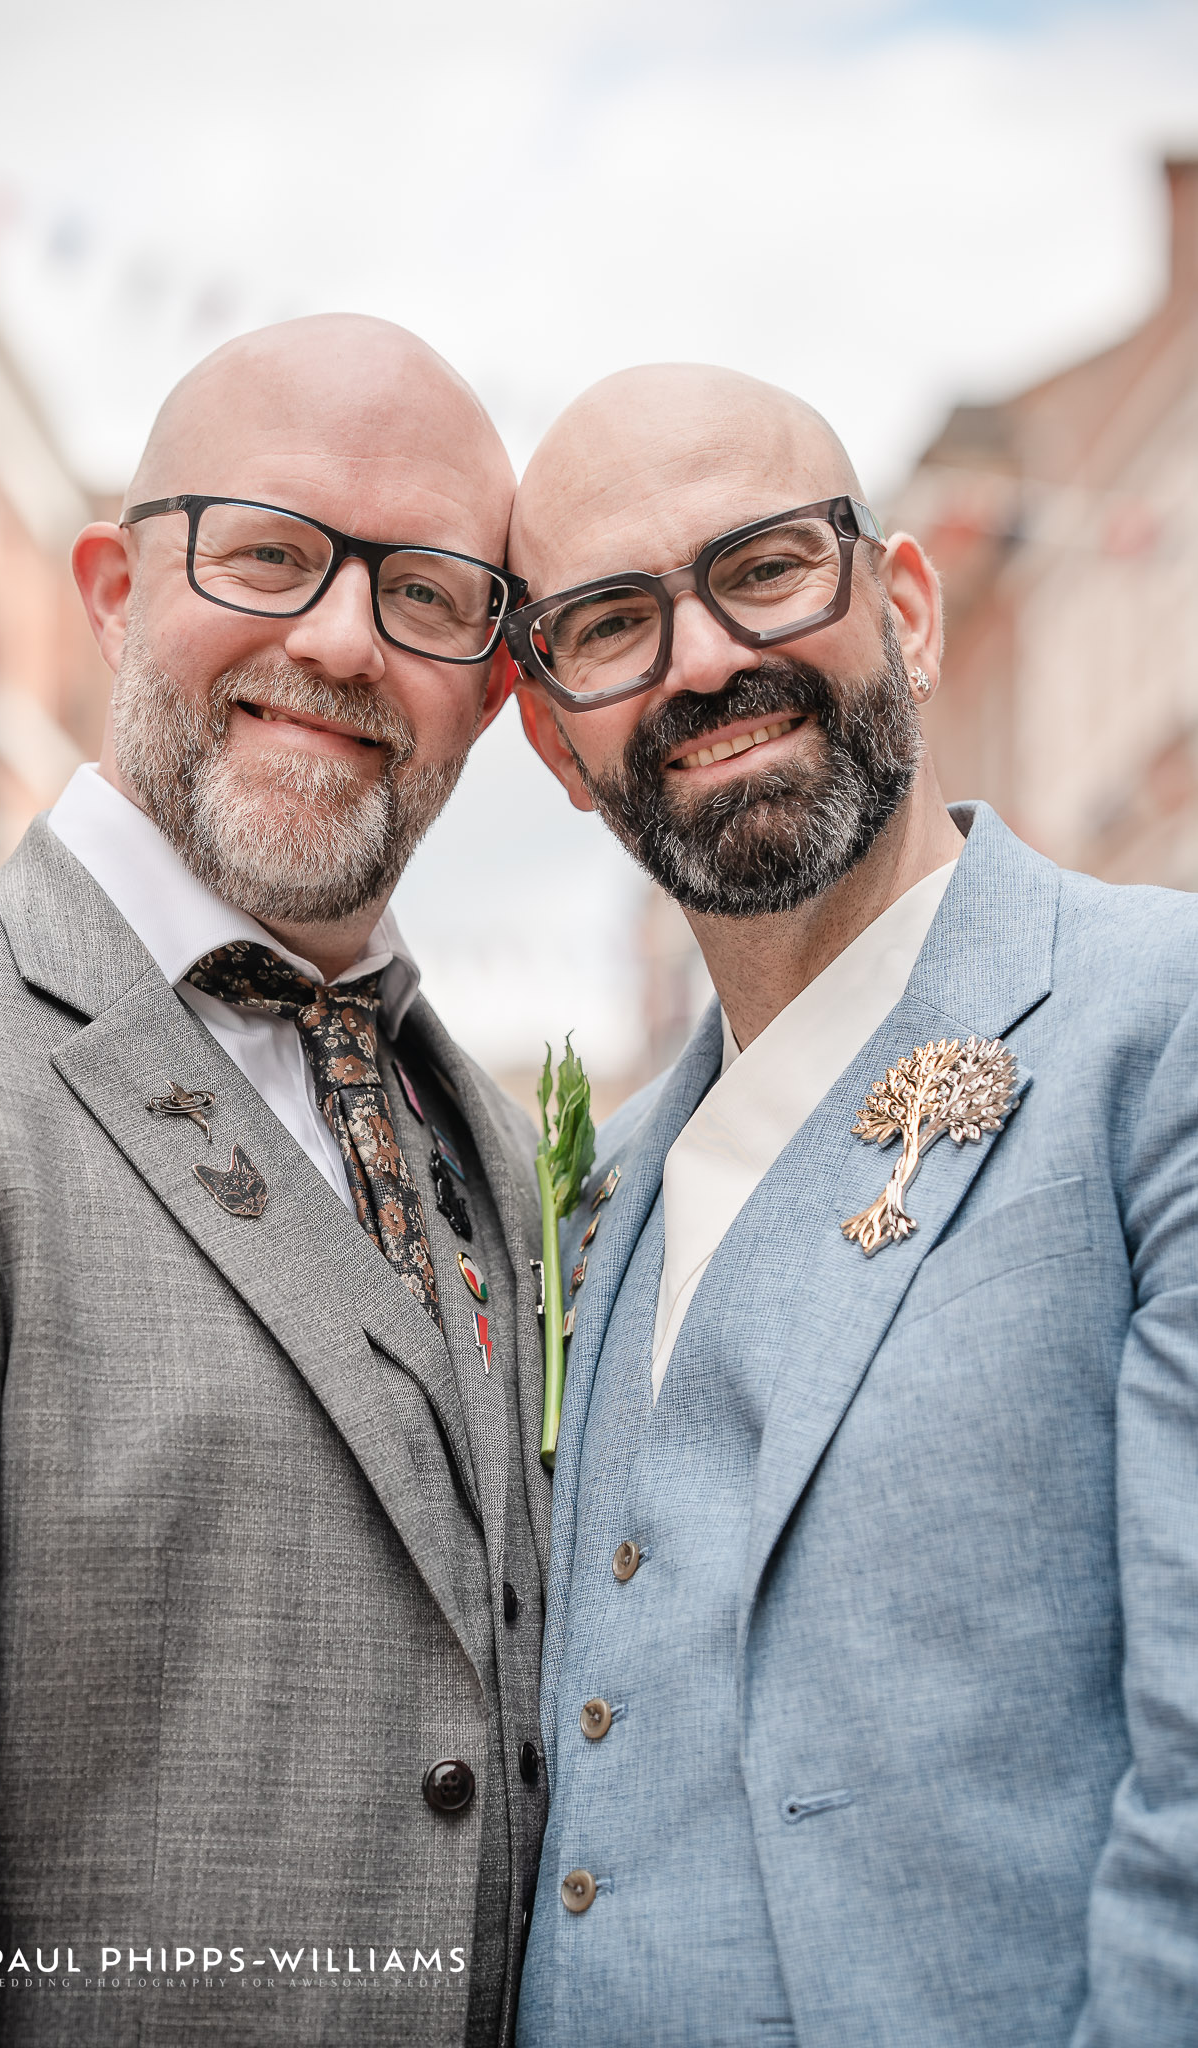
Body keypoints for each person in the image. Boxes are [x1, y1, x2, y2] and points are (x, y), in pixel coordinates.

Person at [0, 314, 550, 2048]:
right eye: (267, 553)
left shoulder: (497, 1145)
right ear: (110, 587)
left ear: (498, 683)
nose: (336, 638)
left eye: (429, 594)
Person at [505, 363, 1198, 2047]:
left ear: (904, 605)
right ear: (551, 743)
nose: (702, 662)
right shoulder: (588, 1205)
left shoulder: (1156, 1024)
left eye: (760, 570)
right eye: (606, 624)